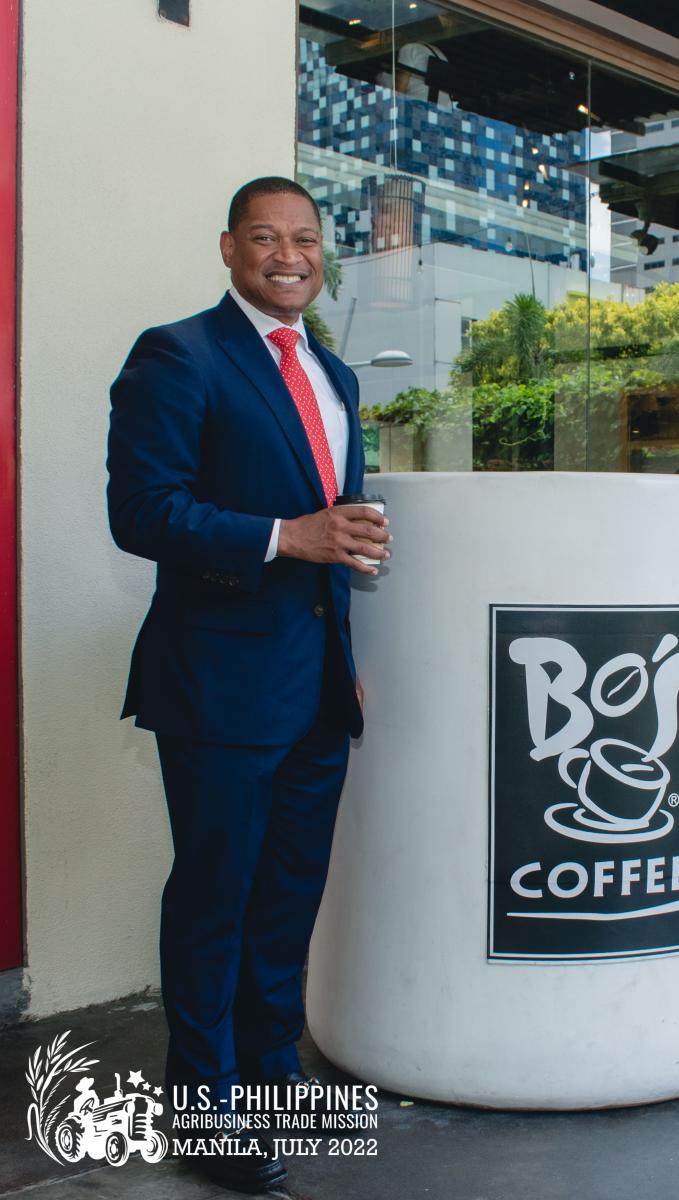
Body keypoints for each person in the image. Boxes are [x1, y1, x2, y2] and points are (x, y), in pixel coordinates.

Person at [106, 177, 391, 1193]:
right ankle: (205, 1109)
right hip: (219, 688)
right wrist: (289, 536)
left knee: (286, 901)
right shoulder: (177, 356)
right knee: (216, 901)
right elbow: (142, 512)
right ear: (229, 249)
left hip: (315, 689)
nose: (288, 255)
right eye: (266, 238)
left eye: (305, 239)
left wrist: (341, 591)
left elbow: (333, 526)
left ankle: (272, 1077)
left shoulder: (335, 373)